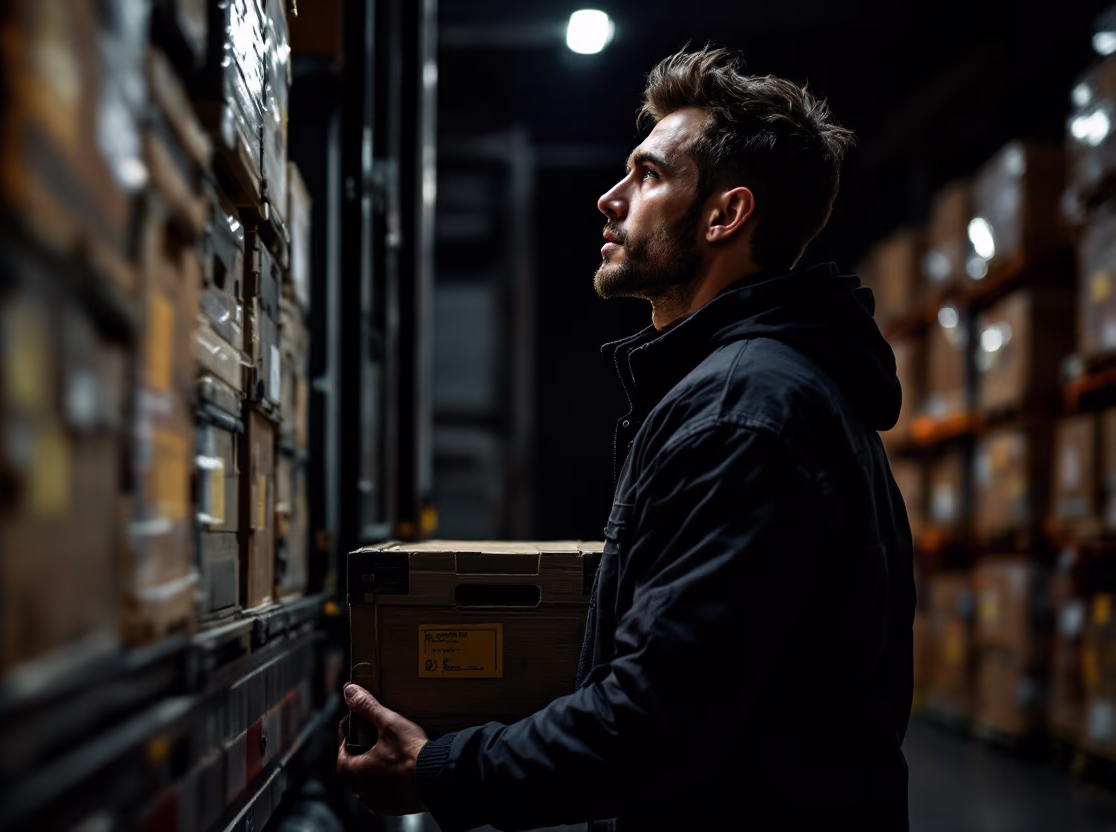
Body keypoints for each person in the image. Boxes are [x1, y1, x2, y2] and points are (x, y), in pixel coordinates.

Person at [336, 45, 914, 832]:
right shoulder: (767, 389)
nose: (611, 199)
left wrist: (438, 771)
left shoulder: (740, 413)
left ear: (724, 215)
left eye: (647, 176)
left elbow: (653, 720)